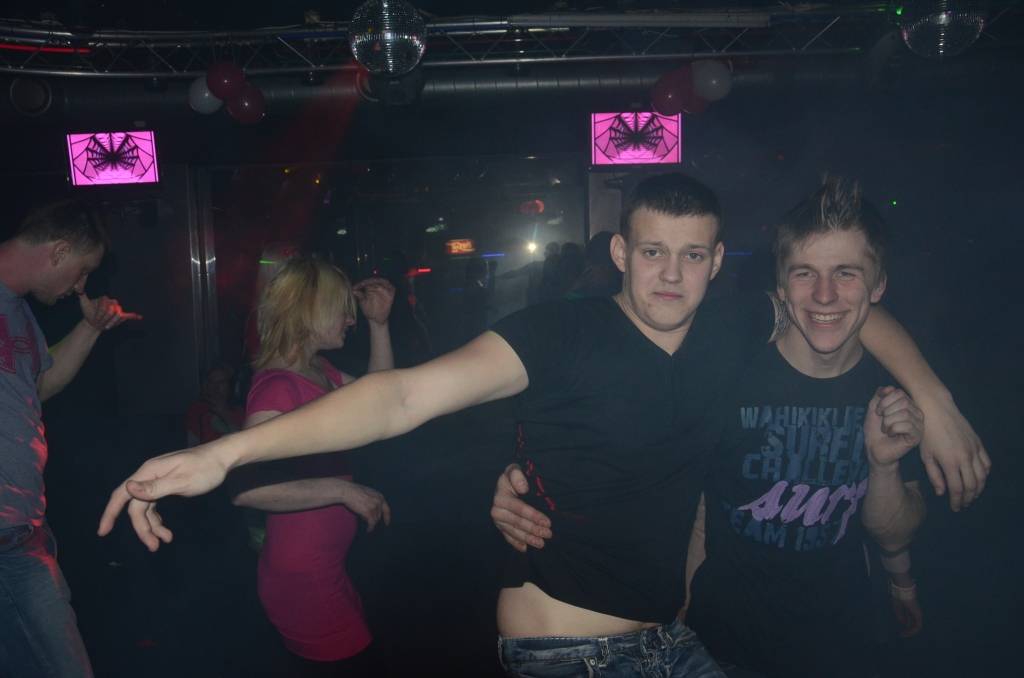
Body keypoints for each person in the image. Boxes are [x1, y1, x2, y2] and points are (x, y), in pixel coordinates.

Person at [99, 174, 987, 678]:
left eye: (691, 255)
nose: (670, 275)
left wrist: (937, 401)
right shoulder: (560, 335)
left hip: (666, 642)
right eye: (652, 251)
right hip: (572, 652)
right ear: (619, 253)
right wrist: (226, 452)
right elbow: (399, 397)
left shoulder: (732, 329)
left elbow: (848, 307)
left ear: (719, 262)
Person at [494, 177, 941, 677]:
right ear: (781, 285)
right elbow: (642, 463)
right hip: (722, 638)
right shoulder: (728, 365)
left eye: (846, 273)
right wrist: (525, 478)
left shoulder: (892, 382)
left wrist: (890, 472)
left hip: (841, 636)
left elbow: (895, 533)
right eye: (804, 273)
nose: (824, 294)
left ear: (878, 285)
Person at [227, 256, 395, 674]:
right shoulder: (278, 387)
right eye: (342, 310)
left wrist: (379, 325)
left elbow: (383, 400)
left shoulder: (321, 372)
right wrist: (342, 490)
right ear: (309, 311)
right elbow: (247, 489)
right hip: (303, 579)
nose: (350, 320)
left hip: (327, 569)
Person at [0, 200, 140, 678]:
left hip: (23, 531)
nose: (81, 286)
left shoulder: (17, 311)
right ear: (59, 251)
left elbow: (39, 385)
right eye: (82, 271)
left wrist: (90, 327)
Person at [185, 365, 243, 446]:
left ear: (230, 385)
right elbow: (192, 444)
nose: (215, 387)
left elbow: (243, 442)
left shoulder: (239, 411)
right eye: (211, 382)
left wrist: (224, 415)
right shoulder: (197, 410)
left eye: (221, 382)